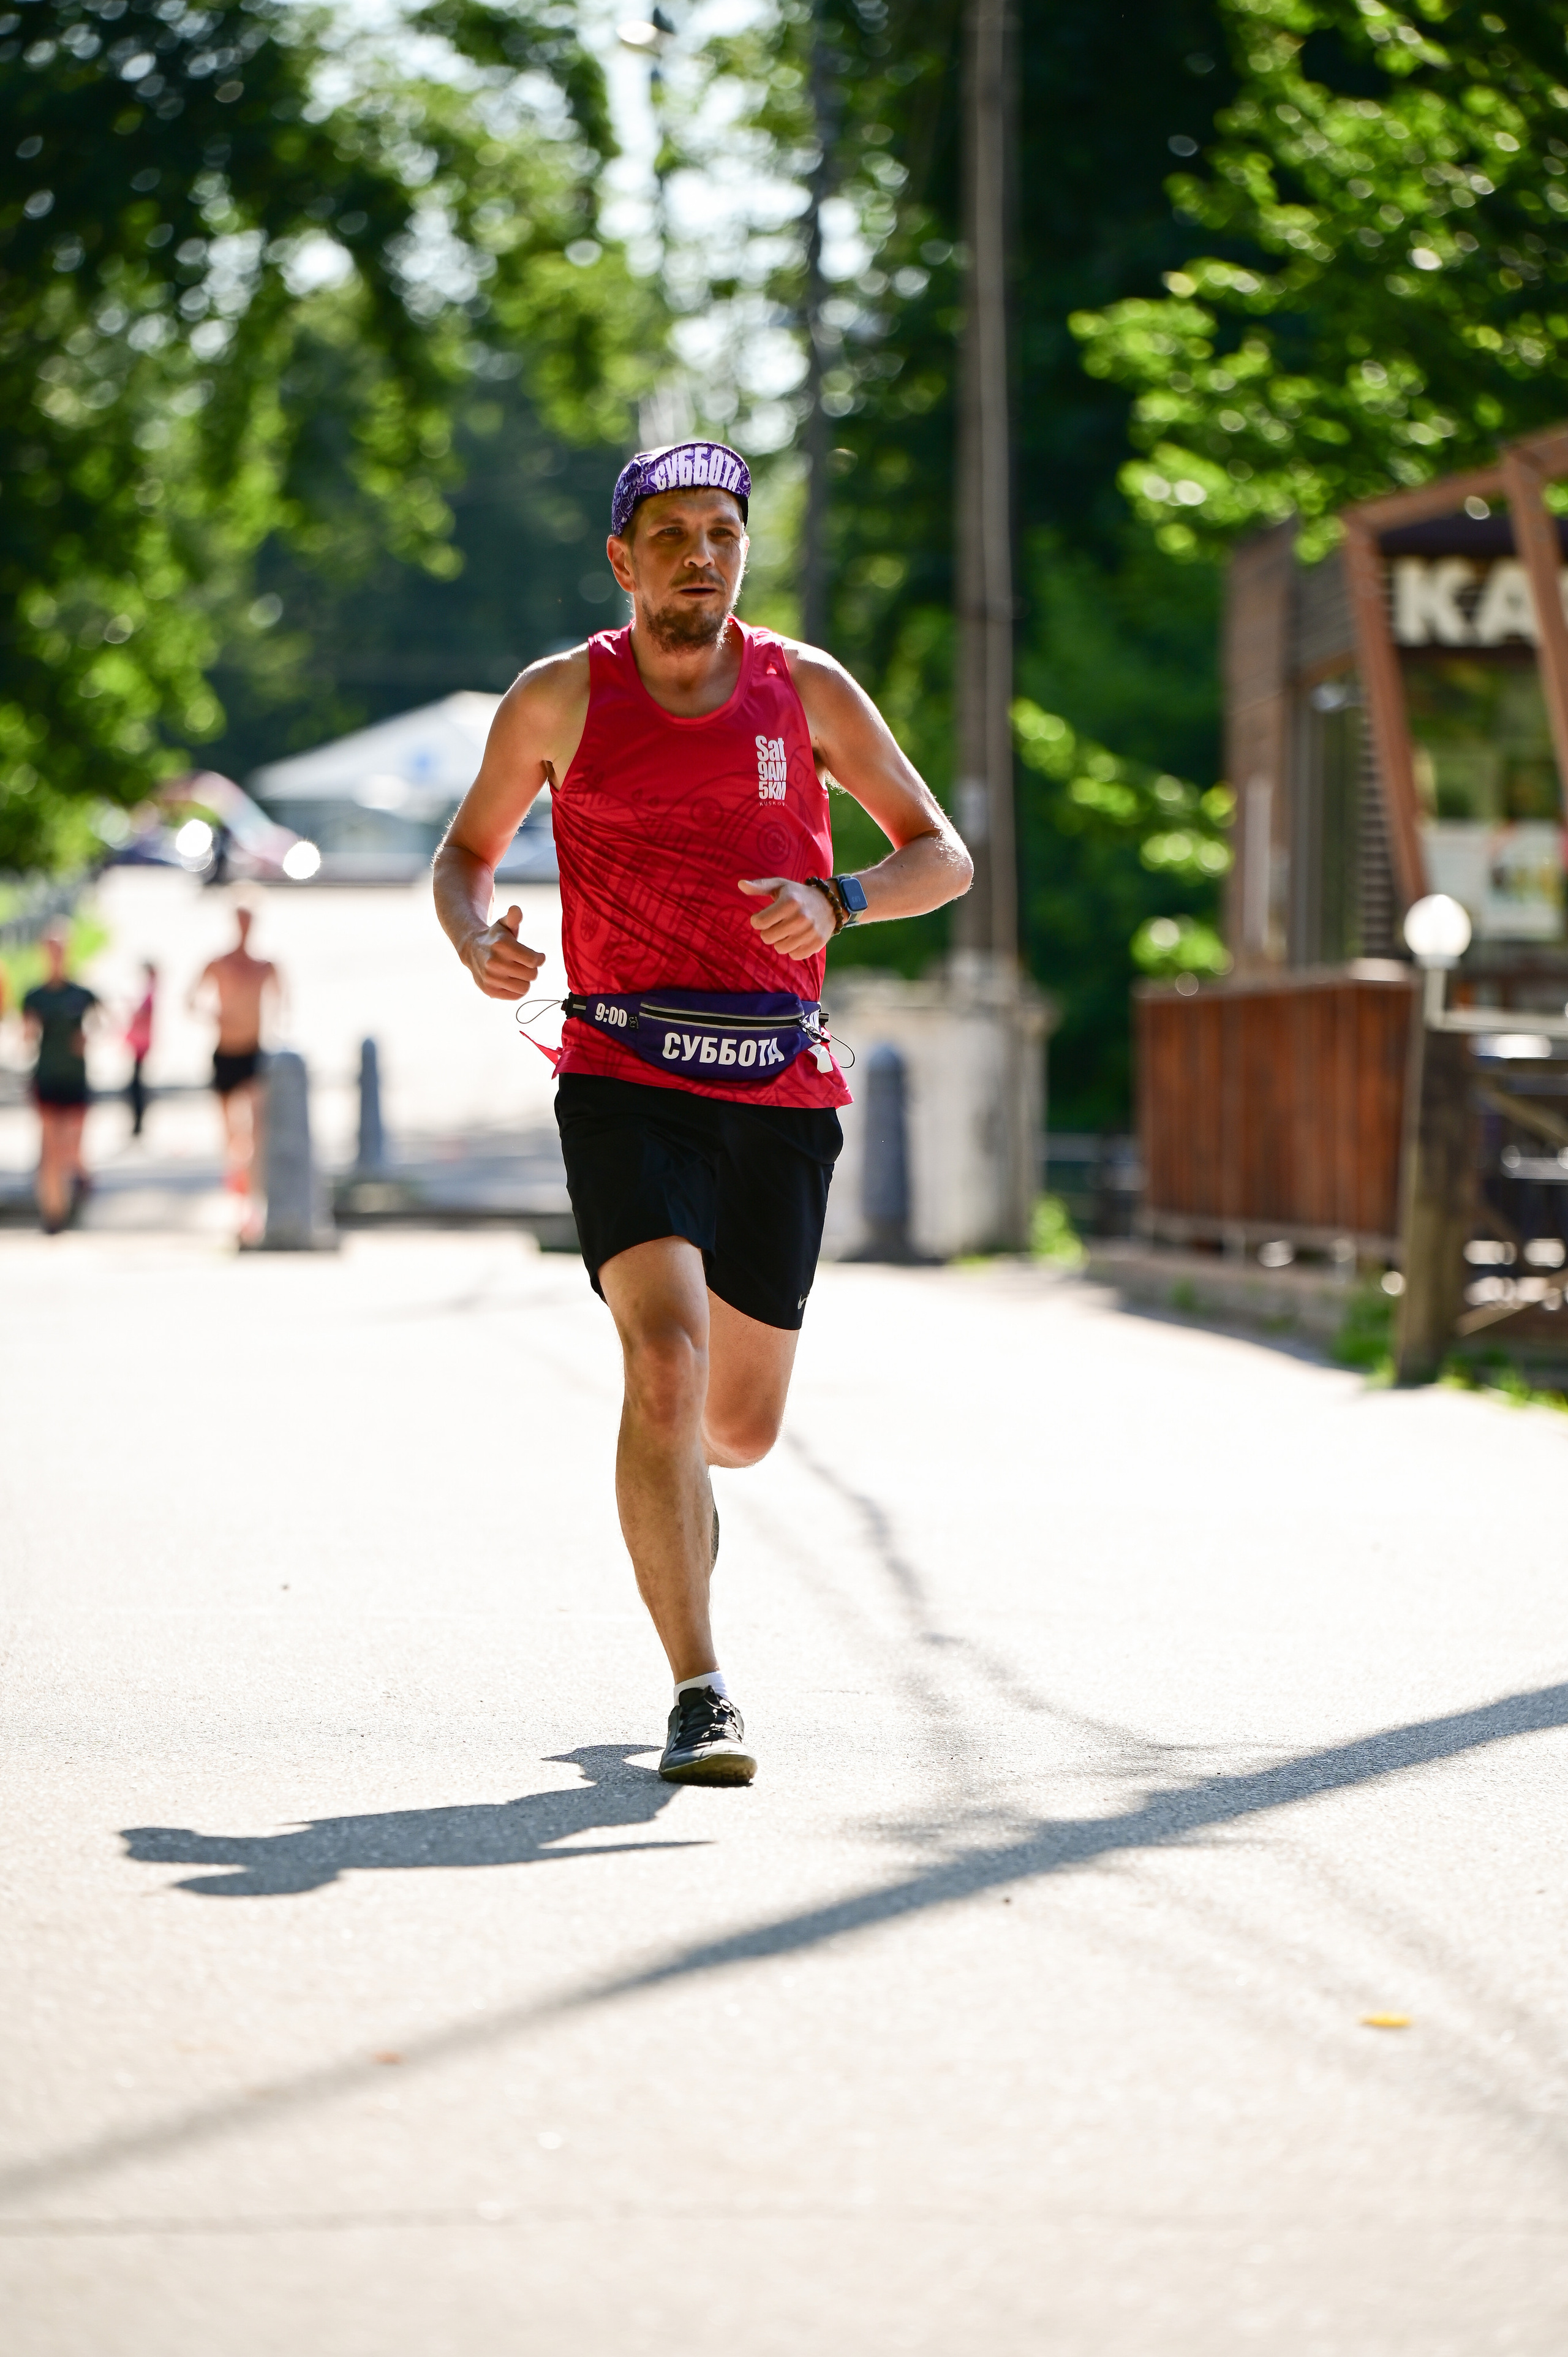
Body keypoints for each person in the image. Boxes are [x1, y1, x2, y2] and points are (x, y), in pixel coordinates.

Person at [434, 440, 971, 1785]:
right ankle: (700, 1687)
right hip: (622, 1072)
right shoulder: (561, 696)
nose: (699, 554)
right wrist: (473, 936)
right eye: (670, 532)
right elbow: (462, 856)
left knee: (733, 1427)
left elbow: (941, 855)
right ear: (622, 559)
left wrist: (842, 896)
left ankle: (677, 1487)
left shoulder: (809, 690)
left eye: (722, 531)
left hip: (778, 1080)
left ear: (744, 549)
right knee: (660, 1367)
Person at [189, 906, 282, 1233]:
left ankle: (251, 1210)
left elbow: (283, 1007)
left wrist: (275, 1035)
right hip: (224, 1054)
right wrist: (213, 1015)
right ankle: (237, 1195)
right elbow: (190, 1001)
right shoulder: (218, 963)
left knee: (255, 1130)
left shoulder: (266, 966)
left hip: (254, 1053)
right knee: (231, 1136)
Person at [22, 929, 99, 1235]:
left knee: (72, 1147)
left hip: (76, 1078)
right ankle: (54, 1215)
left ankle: (77, 1185)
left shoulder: (81, 994)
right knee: (51, 1146)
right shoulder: (35, 995)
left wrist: (89, 1037)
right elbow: (25, 1036)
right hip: (47, 1076)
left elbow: (103, 1024)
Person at [124, 961, 157, 1138]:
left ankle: (138, 1123)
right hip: (139, 1043)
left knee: (137, 1086)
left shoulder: (150, 991)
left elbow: (143, 1013)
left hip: (141, 1044)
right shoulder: (150, 990)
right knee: (136, 1084)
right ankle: (137, 1122)